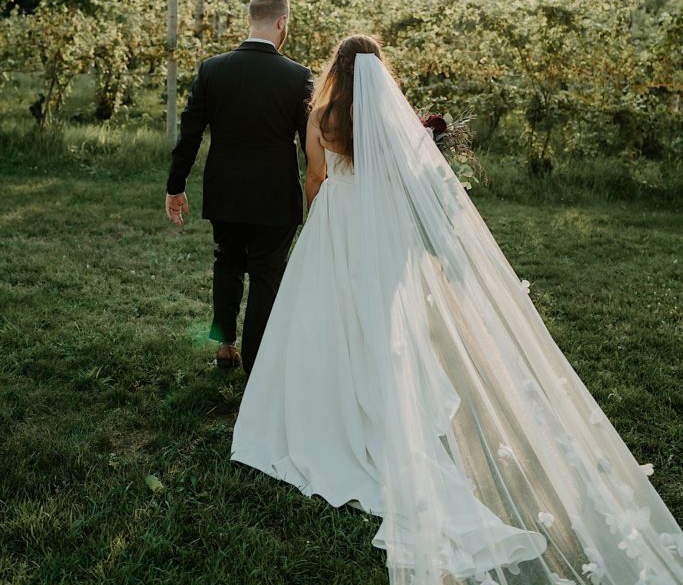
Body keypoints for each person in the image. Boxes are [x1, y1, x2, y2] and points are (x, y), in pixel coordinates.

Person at [231, 34, 683, 585]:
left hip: (334, 224)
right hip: (377, 234)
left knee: (322, 323)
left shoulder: (322, 115)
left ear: (337, 69)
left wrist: (315, 216)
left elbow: (315, 178)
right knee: (379, 323)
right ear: (378, 72)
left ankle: (326, 407)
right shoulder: (384, 119)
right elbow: (404, 181)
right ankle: (378, 399)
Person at [165, 0, 313, 374]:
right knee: (267, 272)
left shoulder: (213, 69)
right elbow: (309, 143)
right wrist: (320, 187)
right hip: (276, 195)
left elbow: (190, 133)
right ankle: (258, 361)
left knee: (226, 262)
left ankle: (225, 345)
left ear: (250, 20)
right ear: (282, 22)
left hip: (225, 191)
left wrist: (175, 185)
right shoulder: (298, 77)